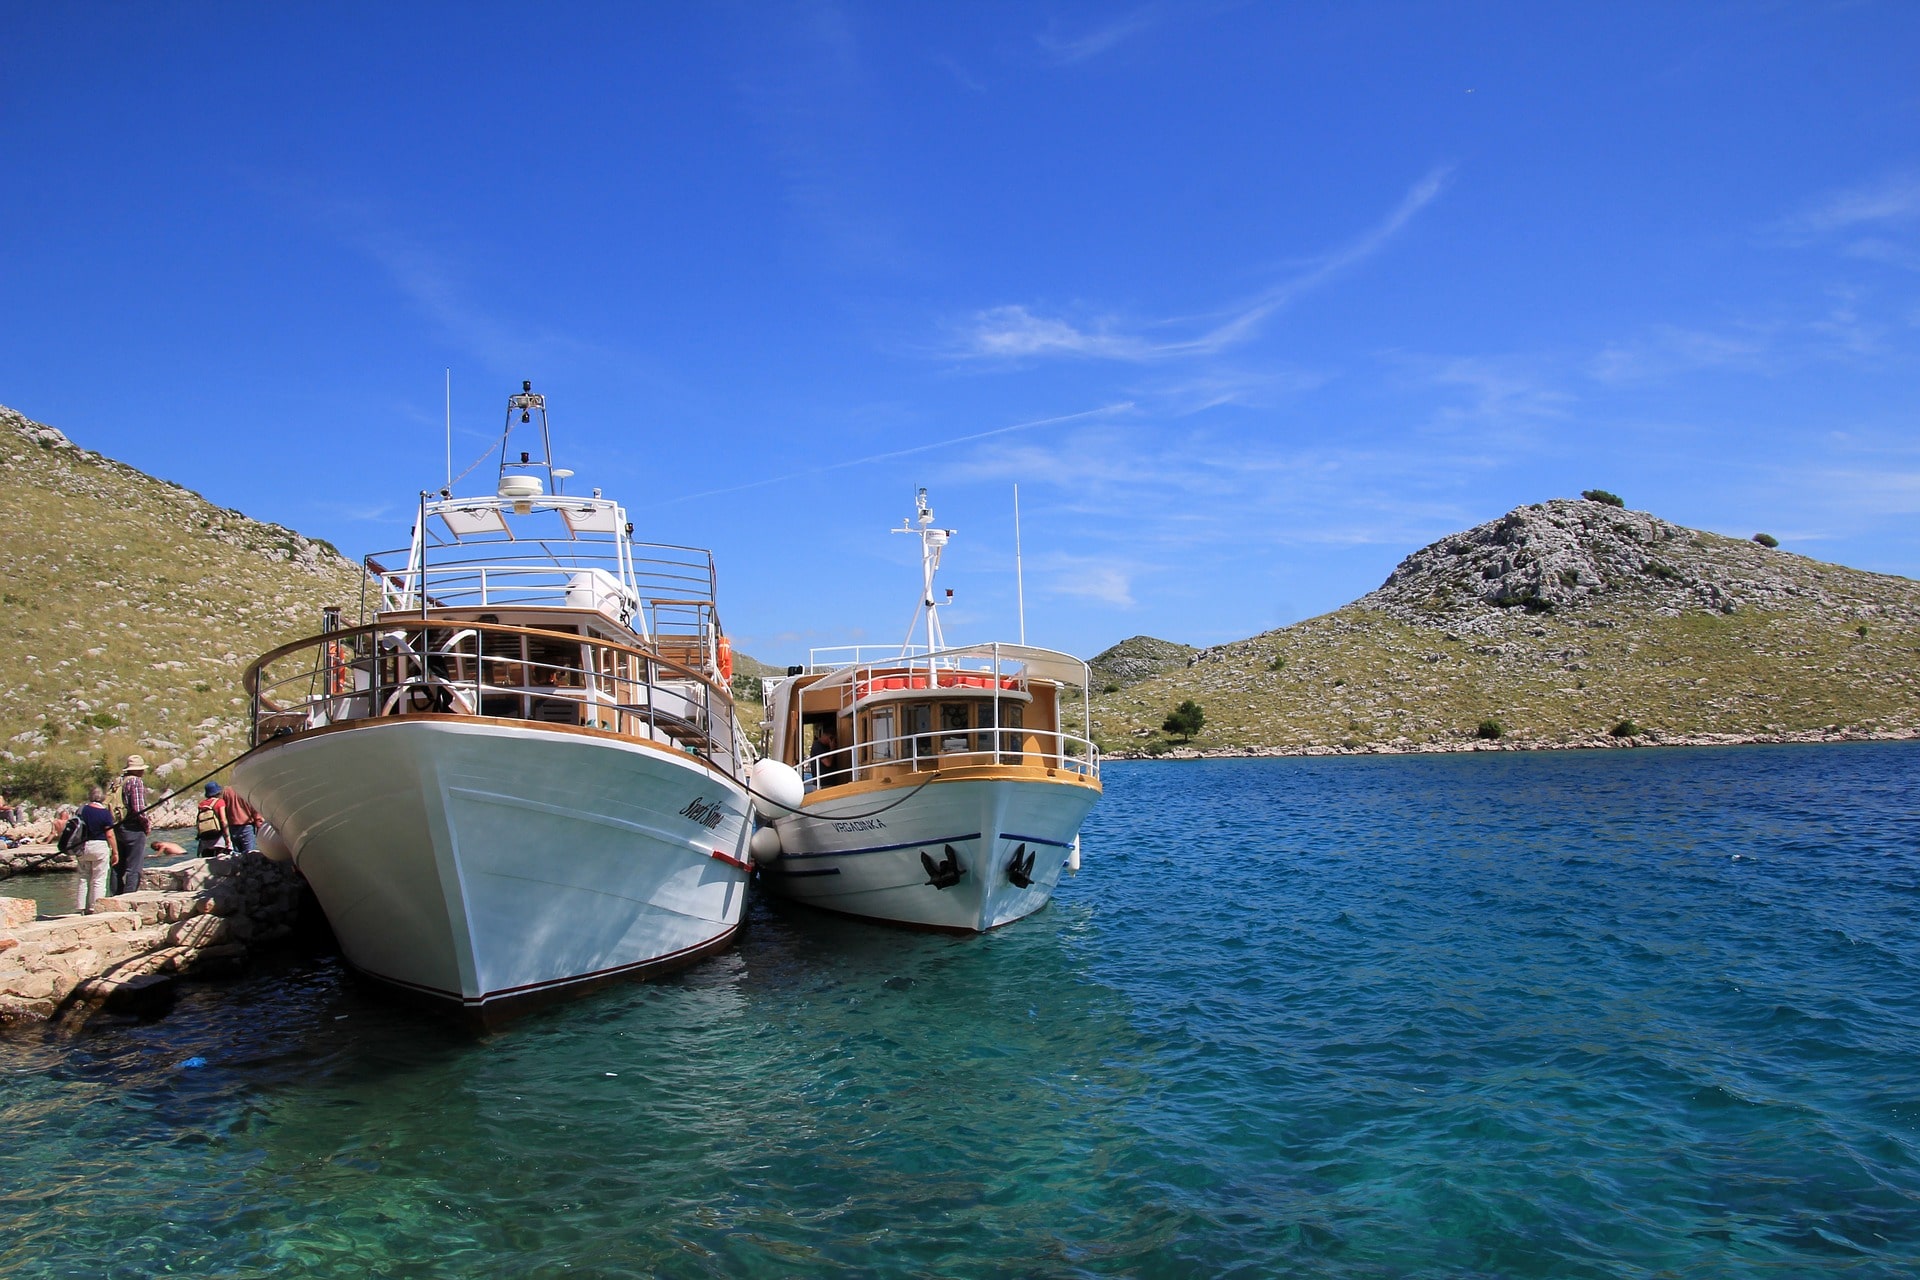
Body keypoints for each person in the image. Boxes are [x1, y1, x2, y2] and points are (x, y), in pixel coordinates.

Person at [74, 786, 119, 914]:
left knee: (83, 877)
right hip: (99, 846)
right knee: (99, 878)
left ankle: (80, 908)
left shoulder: (81, 810)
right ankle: (94, 908)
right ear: (103, 798)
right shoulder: (105, 813)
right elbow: (110, 834)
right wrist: (115, 852)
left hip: (82, 846)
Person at [113, 754, 153, 894]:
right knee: (134, 866)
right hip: (133, 827)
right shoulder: (136, 782)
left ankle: (115, 895)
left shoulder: (118, 781)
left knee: (118, 865)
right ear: (137, 770)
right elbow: (138, 809)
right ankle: (129, 898)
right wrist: (146, 825)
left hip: (117, 826)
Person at [220, 787, 260, 856]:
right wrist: (259, 828)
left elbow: (223, 810)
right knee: (250, 855)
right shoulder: (248, 791)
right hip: (247, 827)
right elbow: (256, 813)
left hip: (232, 827)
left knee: (237, 855)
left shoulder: (226, 791)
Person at [196, 782, 231, 858]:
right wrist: (227, 838)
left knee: (206, 858)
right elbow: (223, 820)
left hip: (205, 838)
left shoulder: (201, 804)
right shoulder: (220, 802)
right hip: (218, 836)